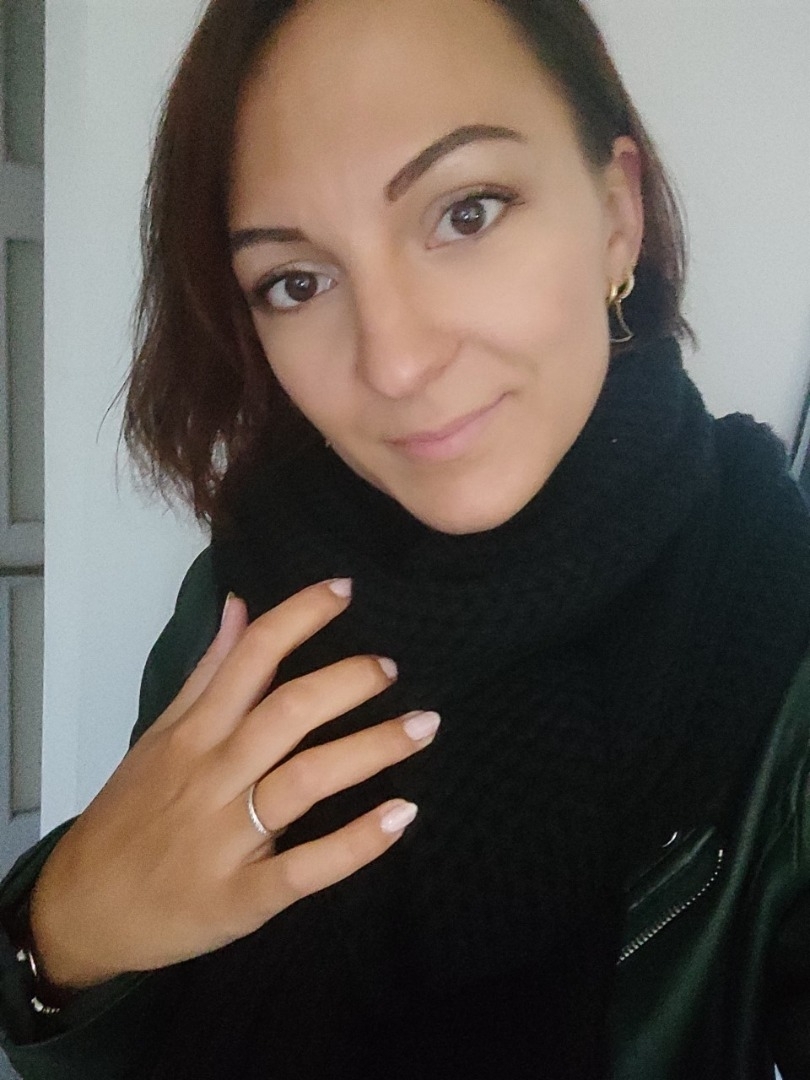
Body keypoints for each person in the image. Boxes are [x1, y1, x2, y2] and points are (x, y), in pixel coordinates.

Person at [1, 0, 810, 1076]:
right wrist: (57, 940)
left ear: (617, 215)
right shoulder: (252, 591)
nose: (392, 362)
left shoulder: (778, 624)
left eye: (467, 213)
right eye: (297, 282)